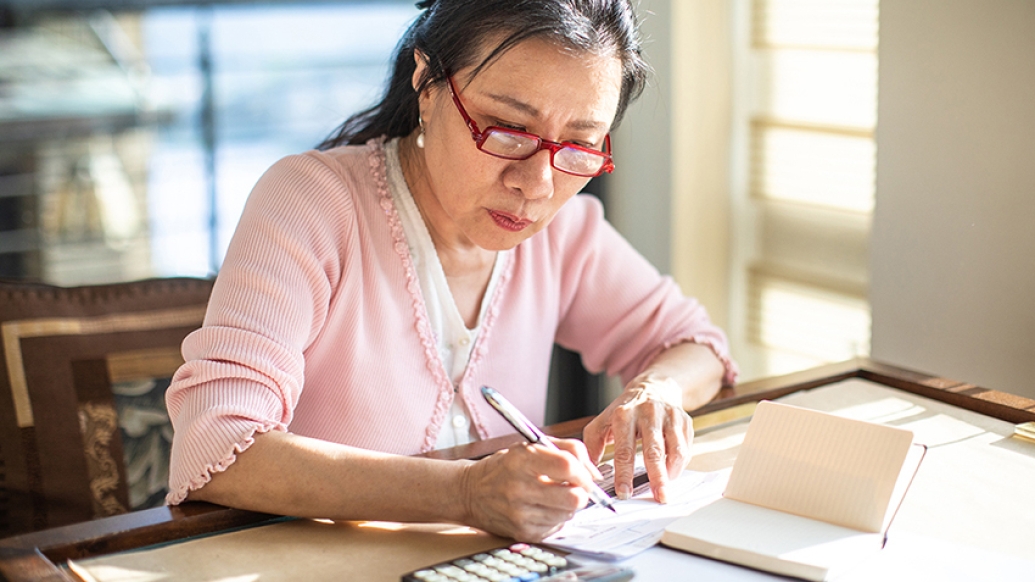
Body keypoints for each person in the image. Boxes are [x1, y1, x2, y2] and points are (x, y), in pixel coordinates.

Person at [166, 0, 737, 543]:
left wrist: (654, 391)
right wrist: (465, 492)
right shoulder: (312, 203)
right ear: (427, 83)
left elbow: (698, 347)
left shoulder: (562, 233)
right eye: (507, 129)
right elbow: (219, 445)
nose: (537, 184)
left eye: (581, 146)